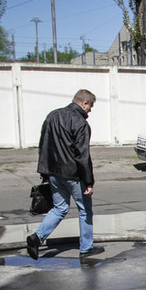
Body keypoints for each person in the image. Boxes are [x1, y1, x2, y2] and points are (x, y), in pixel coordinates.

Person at [26, 89, 103, 261]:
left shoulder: (53, 116)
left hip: (53, 172)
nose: (90, 110)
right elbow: (83, 155)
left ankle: (36, 237)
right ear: (84, 103)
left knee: (60, 208)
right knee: (85, 210)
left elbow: (43, 145)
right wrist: (89, 182)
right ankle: (86, 249)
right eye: (90, 106)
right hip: (73, 175)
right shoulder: (81, 123)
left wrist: (44, 172)